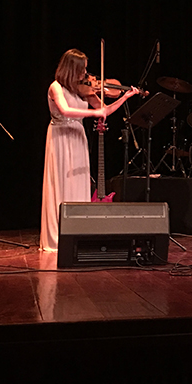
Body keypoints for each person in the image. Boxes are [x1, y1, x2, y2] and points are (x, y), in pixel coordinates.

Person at [40, 48, 140, 252]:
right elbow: (65, 110)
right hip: (60, 136)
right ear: (72, 68)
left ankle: (77, 234)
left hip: (77, 137)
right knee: (60, 183)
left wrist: (125, 97)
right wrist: (92, 114)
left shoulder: (82, 89)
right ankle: (57, 237)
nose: (86, 74)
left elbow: (105, 110)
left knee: (78, 184)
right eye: (82, 69)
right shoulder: (56, 87)